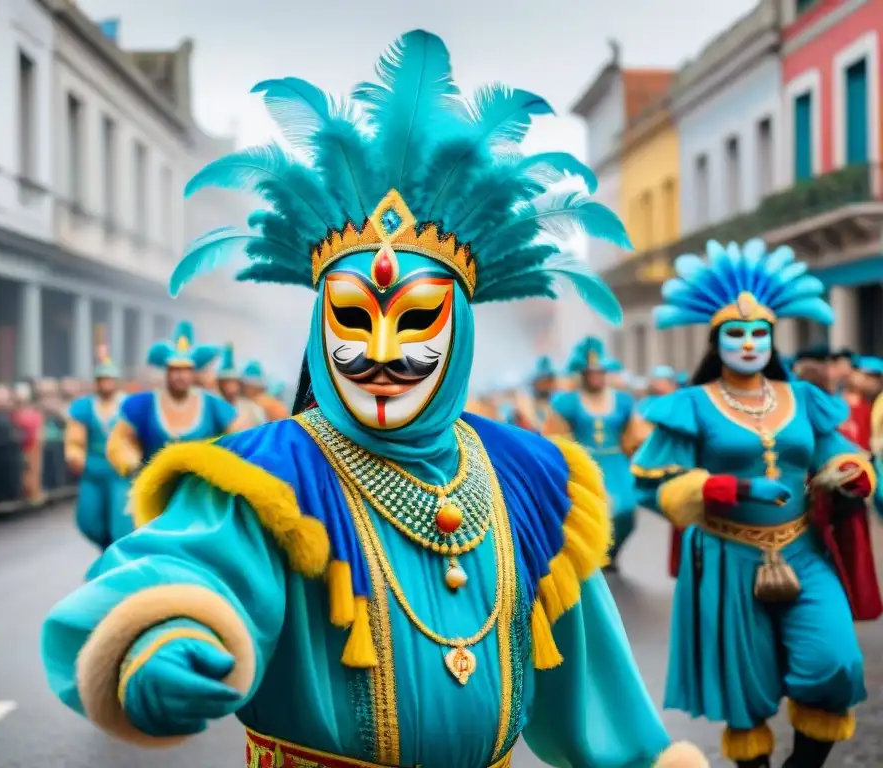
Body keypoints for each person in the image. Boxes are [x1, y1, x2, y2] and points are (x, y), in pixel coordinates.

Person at [39, 29, 707, 768]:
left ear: (459, 337)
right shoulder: (266, 477)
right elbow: (181, 570)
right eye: (354, 320)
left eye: (416, 320)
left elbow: (593, 681)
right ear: (320, 330)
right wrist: (166, 637)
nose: (383, 353)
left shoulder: (531, 475)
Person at [631, 239, 880, 768]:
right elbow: (653, 483)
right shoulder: (692, 405)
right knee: (747, 693)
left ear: (772, 339)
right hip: (727, 557)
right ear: (716, 341)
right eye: (736, 334)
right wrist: (732, 489)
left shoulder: (802, 398)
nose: (748, 343)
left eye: (759, 333)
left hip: (803, 552)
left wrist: (853, 474)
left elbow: (839, 449)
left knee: (834, 662)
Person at [544, 336, 648, 572]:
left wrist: (638, 452)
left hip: (617, 462)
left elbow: (635, 433)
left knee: (626, 512)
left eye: (600, 372)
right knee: (590, 513)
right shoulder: (567, 402)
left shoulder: (623, 400)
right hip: (585, 465)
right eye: (591, 372)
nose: (596, 376)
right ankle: (595, 555)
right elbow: (556, 437)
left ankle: (612, 552)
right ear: (582, 374)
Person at [106, 322, 241, 477]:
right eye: (175, 369)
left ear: (193, 372)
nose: (180, 376)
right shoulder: (143, 404)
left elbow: (239, 439)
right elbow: (120, 440)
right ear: (167, 371)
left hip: (201, 492)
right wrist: (132, 464)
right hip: (153, 489)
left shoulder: (213, 405)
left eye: (186, 370)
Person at [65, 347, 132, 564]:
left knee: (121, 523)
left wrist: (134, 457)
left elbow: (138, 436)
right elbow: (75, 438)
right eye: (101, 379)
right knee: (88, 519)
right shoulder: (84, 406)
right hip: (92, 469)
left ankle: (116, 562)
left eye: (109, 379)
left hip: (121, 472)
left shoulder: (129, 405)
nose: (106, 383)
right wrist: (75, 455)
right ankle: (106, 548)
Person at [215, 345, 266, 427]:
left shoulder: (252, 409)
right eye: (226, 383)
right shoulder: (213, 406)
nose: (231, 388)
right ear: (220, 385)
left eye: (233, 382)